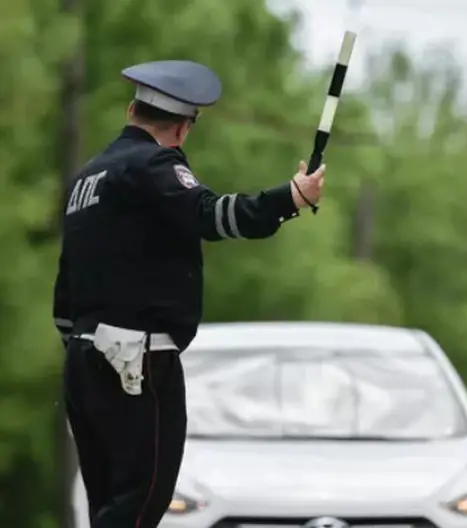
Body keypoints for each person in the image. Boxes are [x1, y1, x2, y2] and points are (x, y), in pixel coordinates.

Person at [52, 60, 325, 528]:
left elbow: (66, 286)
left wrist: (85, 356)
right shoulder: (154, 164)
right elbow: (212, 215)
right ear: (182, 129)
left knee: (108, 507)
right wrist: (290, 198)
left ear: (130, 109)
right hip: (136, 363)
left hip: (82, 359)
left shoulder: (87, 178)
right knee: (141, 502)